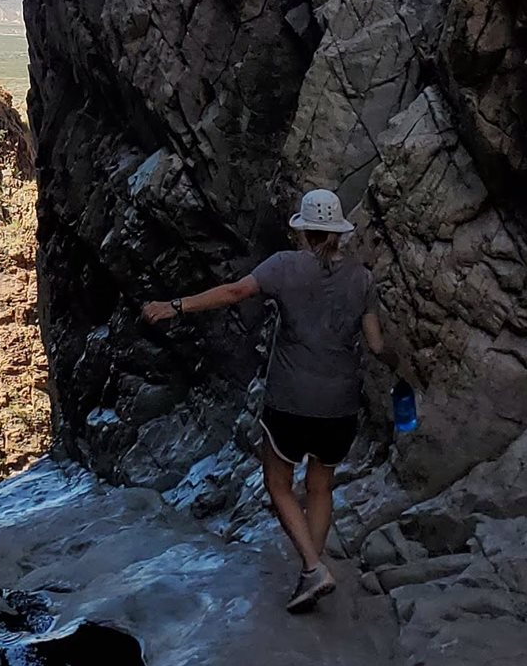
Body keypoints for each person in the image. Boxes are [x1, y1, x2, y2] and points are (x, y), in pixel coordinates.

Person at [142, 186, 390, 613]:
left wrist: (175, 305)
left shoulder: (284, 267)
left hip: (291, 399)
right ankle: (311, 572)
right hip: (341, 404)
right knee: (321, 486)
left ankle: (313, 568)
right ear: (337, 232)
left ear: (304, 230)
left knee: (278, 483)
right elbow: (376, 344)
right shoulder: (362, 279)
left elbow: (235, 293)